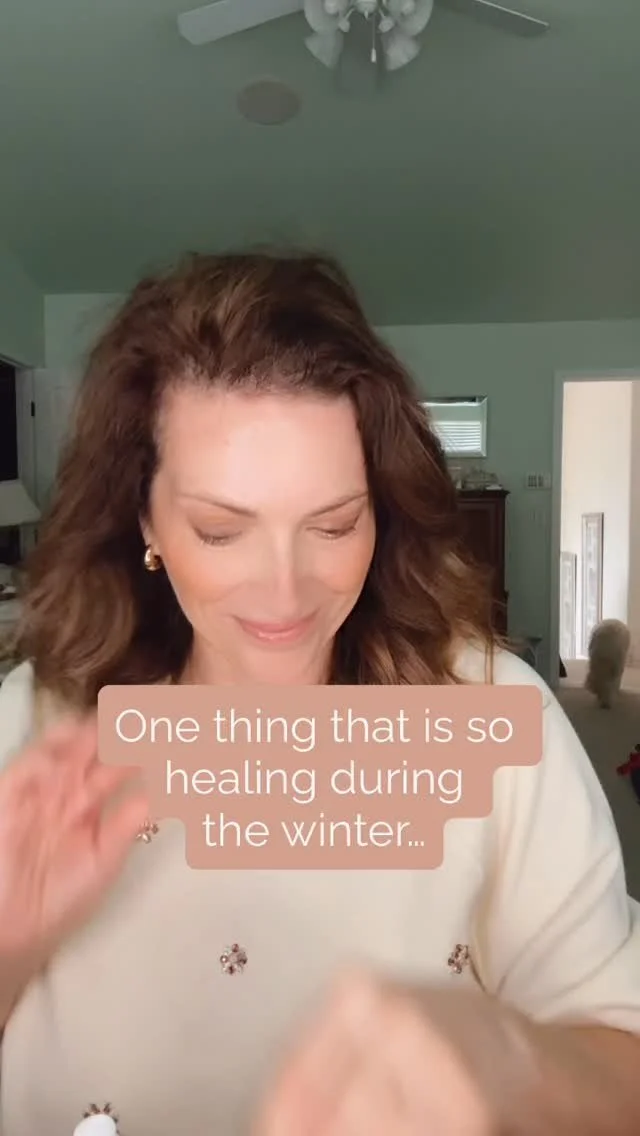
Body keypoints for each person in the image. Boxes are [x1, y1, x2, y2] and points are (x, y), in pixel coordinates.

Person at [0, 251, 639, 1136]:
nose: (285, 592)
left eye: (334, 525)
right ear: (144, 517)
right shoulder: (34, 722)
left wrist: (519, 1066)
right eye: (221, 530)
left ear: (380, 509)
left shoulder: (497, 715)